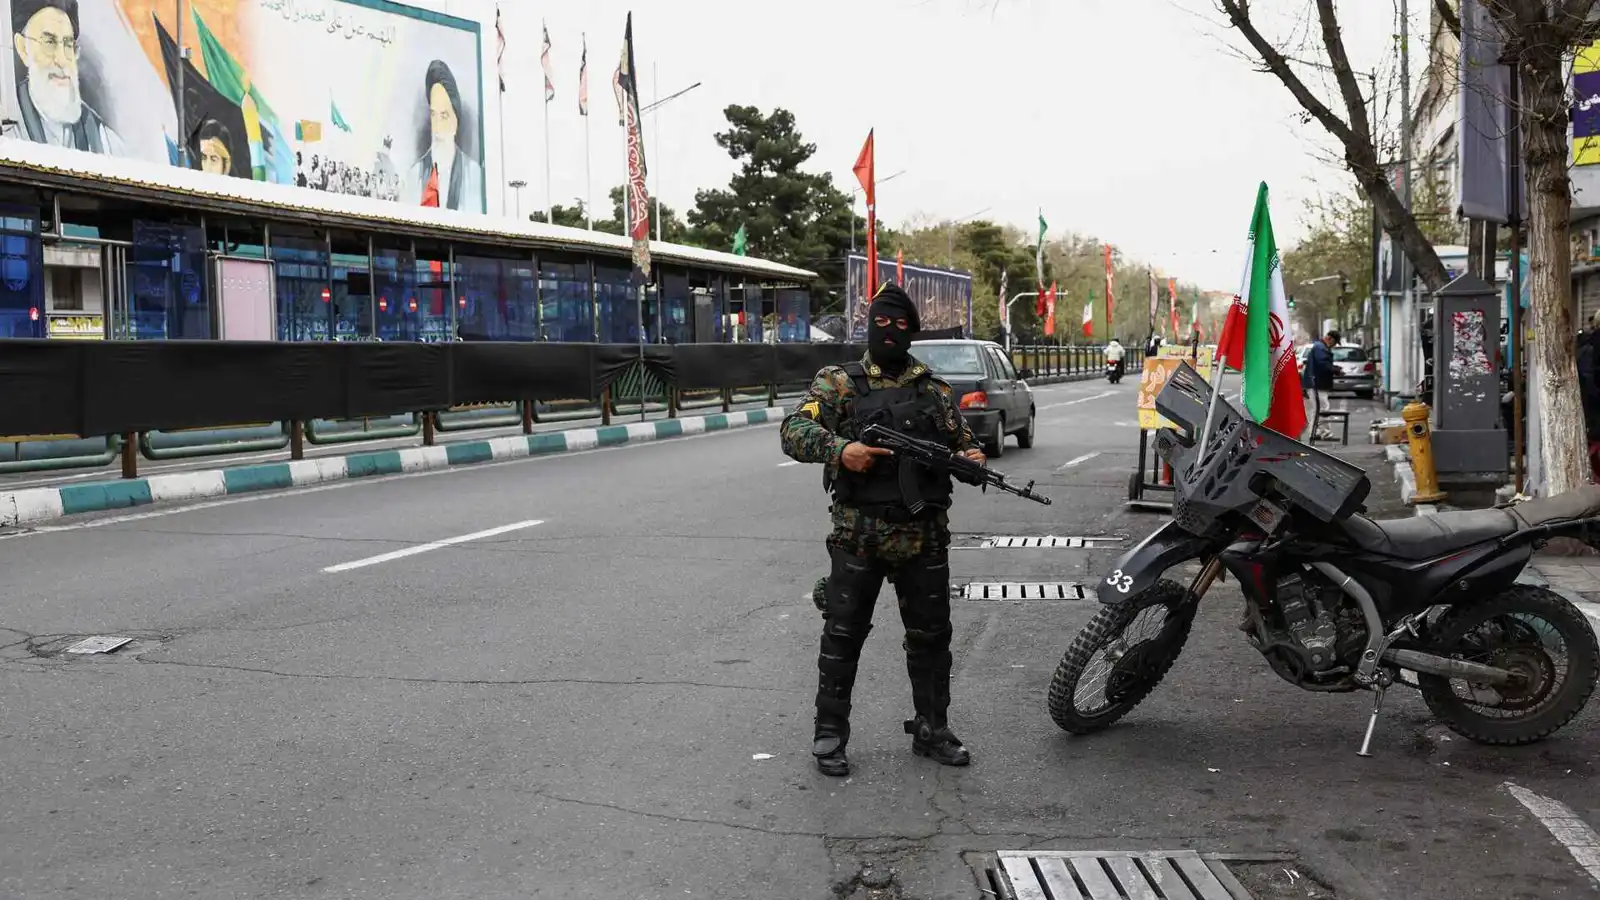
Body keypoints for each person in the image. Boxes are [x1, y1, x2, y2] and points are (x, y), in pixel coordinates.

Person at [780, 283, 984, 777]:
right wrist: (839, 450)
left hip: (925, 536)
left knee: (933, 638)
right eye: (880, 323)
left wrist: (972, 459)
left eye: (898, 326)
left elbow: (967, 443)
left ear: (911, 332)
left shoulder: (934, 391)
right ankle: (829, 733)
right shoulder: (839, 383)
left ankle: (933, 727)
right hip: (859, 536)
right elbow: (793, 431)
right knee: (843, 635)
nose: (888, 332)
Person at [6, 0, 123, 154]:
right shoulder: (8, 131)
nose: (62, 60)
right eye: (49, 42)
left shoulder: (107, 142)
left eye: (68, 45)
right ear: (23, 48)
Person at [404, 60, 484, 213]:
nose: (438, 127)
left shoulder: (474, 175)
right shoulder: (414, 176)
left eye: (445, 116)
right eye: (434, 115)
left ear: (456, 118)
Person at [1301, 330, 1338, 442]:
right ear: (1329, 339)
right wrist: (1335, 370)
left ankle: (1315, 432)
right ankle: (1325, 433)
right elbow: (1323, 364)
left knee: (1316, 409)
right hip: (1317, 383)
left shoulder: (1318, 347)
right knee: (1324, 408)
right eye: (1335, 343)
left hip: (1315, 383)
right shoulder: (1320, 348)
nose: (1334, 345)